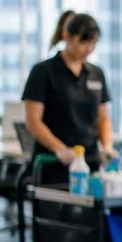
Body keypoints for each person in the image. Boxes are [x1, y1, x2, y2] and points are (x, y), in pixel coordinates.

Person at [22, 11, 114, 184]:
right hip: (54, 162)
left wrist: (107, 146)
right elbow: (33, 120)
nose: (89, 48)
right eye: (83, 42)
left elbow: (103, 118)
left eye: (93, 43)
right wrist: (60, 149)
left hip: (89, 162)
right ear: (67, 36)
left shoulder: (96, 73)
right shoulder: (43, 71)